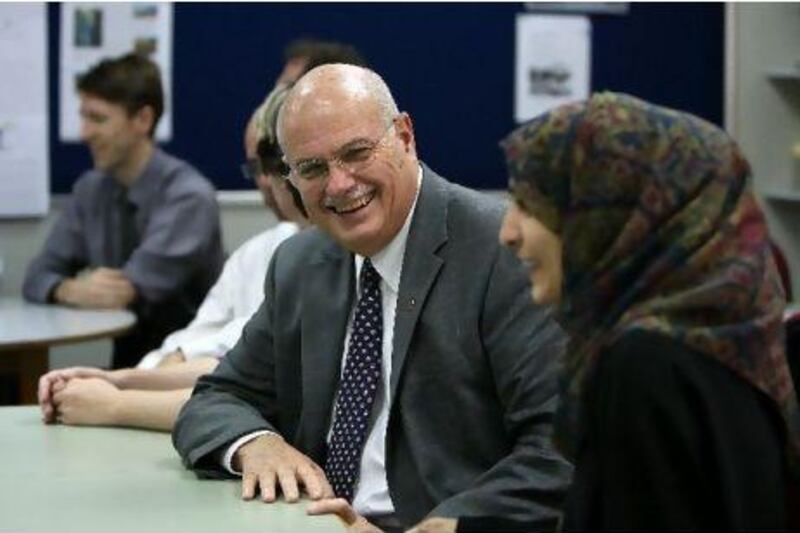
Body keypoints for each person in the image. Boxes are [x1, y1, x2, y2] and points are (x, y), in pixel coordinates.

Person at [173, 64, 572, 532]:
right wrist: (256, 442)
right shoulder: (300, 263)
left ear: (405, 136)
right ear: (291, 178)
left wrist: (453, 524)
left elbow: (558, 448)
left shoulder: (501, 249)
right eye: (313, 168)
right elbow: (217, 397)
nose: (340, 184)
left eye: (357, 153)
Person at [452, 91, 799, 531]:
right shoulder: (722, 340)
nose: (508, 232)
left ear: (610, 214)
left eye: (530, 205)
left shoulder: (645, 364)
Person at [35, 40, 368, 432]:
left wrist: (116, 401)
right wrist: (119, 379)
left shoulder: (347, 257)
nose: (265, 180)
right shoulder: (275, 250)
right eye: (258, 165)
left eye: (273, 162)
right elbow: (223, 352)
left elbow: (247, 384)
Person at [22, 52, 224, 369]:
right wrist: (67, 287)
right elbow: (36, 276)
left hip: (186, 370)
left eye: (98, 119)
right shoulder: (91, 189)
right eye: (83, 117)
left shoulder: (188, 196)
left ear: (142, 120)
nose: (84, 132)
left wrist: (72, 289)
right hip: (126, 366)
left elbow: (121, 293)